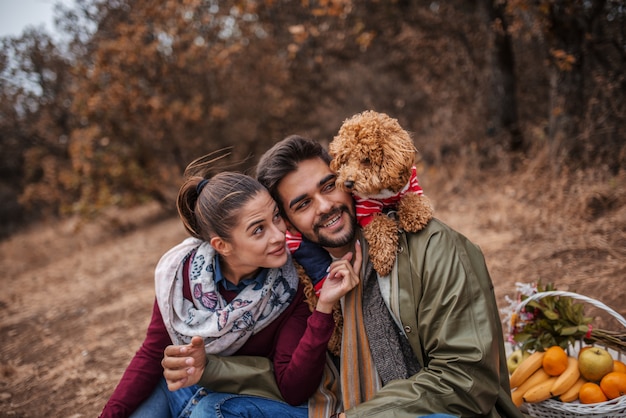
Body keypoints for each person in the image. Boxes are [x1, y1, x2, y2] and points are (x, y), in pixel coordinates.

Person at [163, 133, 523, 417]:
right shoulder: (305, 279)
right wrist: (210, 368)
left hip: (430, 413)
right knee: (212, 409)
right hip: (339, 407)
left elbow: (468, 381)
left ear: (347, 182)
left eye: (328, 185)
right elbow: (298, 378)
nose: (325, 207)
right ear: (287, 222)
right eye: (302, 204)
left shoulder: (431, 246)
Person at [99, 151, 360, 418]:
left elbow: (293, 389)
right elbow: (152, 353)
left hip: (247, 399)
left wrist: (323, 308)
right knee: (155, 386)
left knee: (206, 410)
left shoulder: (290, 287)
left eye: (276, 217)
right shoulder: (180, 279)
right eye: (258, 230)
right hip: (195, 387)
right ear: (222, 246)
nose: (279, 234)